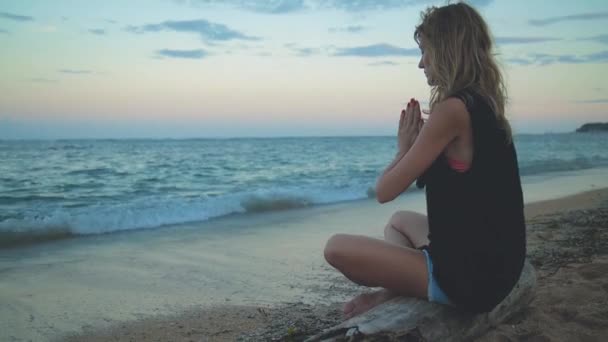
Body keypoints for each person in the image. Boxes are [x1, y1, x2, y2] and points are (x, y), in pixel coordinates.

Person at [324, 2, 526, 318]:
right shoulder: (484, 104)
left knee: (335, 247)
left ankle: (391, 294)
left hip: (470, 281)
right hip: (499, 269)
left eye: (426, 51)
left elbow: (384, 192)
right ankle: (394, 291)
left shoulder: (451, 112)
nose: (421, 63)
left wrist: (403, 149)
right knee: (400, 221)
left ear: (447, 50)